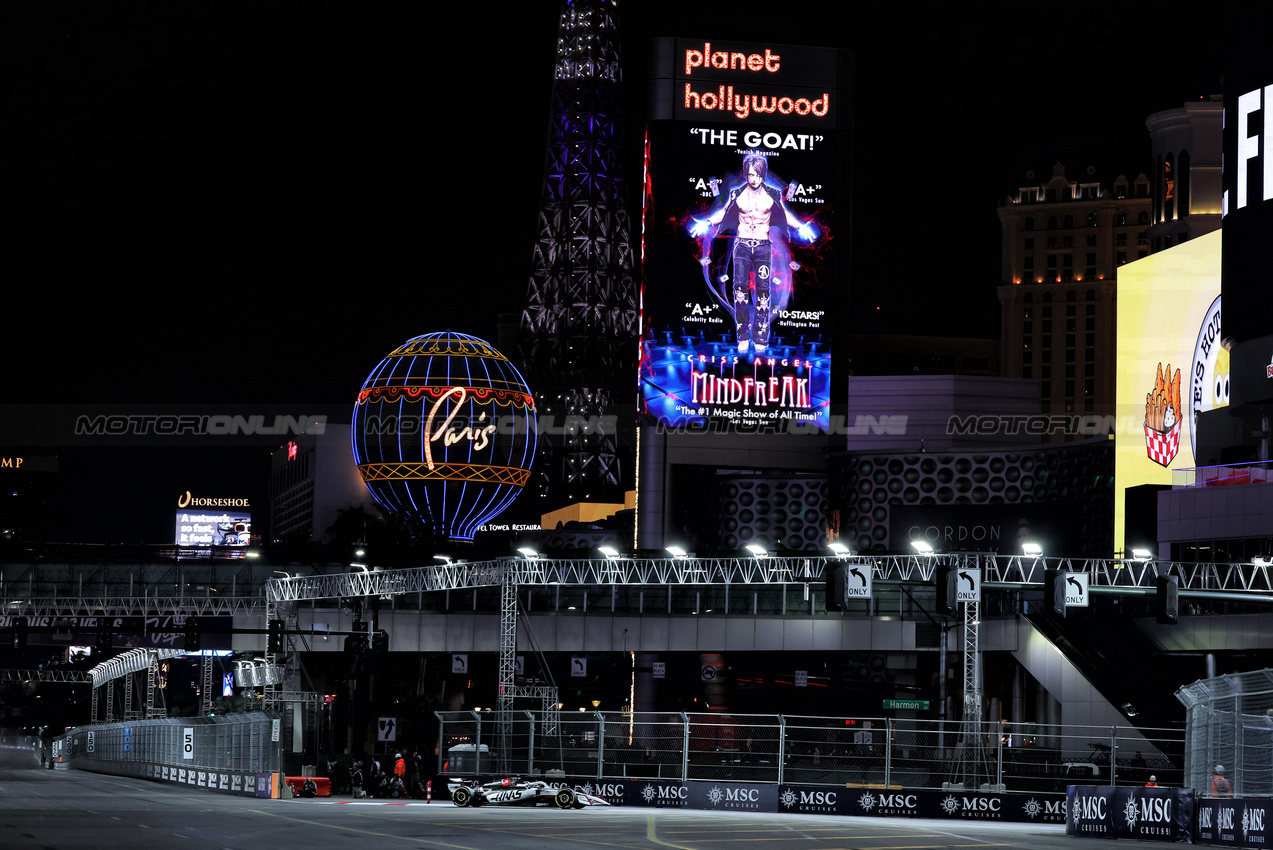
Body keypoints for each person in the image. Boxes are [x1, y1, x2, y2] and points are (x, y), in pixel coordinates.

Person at [689, 153, 816, 353]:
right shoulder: (737, 193)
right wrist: (707, 221)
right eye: (750, 175)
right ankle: (743, 337)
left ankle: (760, 337)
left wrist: (800, 226)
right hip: (742, 245)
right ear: (746, 174)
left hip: (763, 246)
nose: (753, 179)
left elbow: (785, 214)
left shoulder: (772, 195)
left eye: (756, 175)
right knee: (739, 291)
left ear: (762, 175)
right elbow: (723, 212)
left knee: (763, 293)